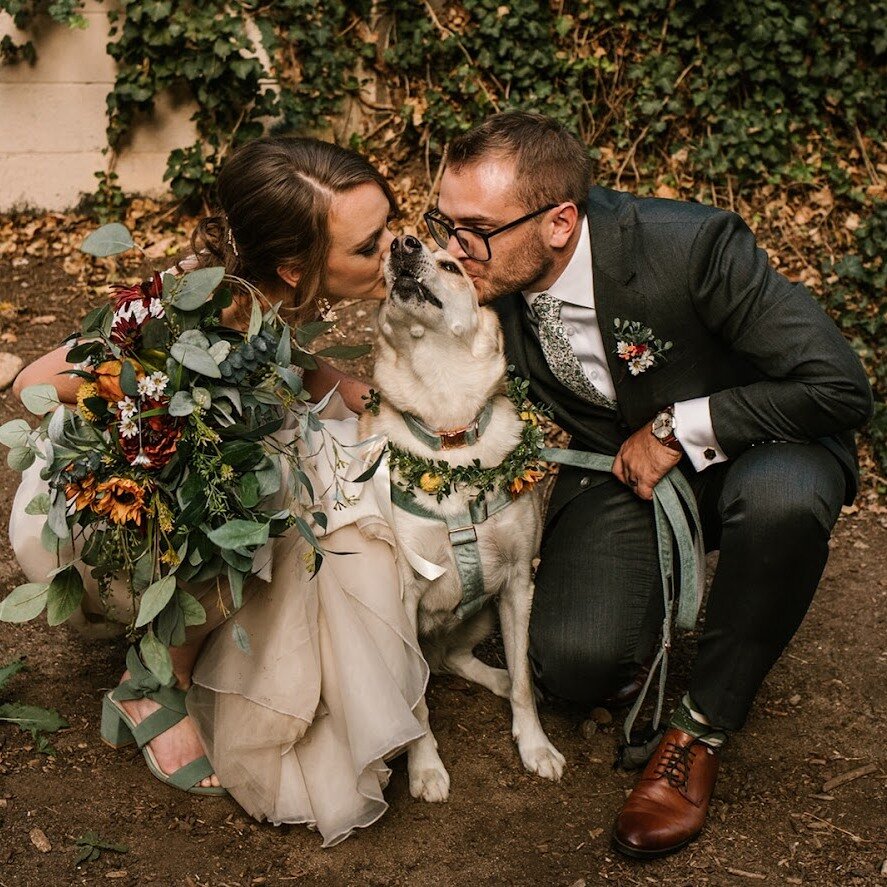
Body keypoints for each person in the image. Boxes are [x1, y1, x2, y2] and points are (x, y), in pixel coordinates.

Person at [419, 111, 873, 858]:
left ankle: (698, 727)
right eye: (444, 220)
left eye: (473, 228)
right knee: (570, 662)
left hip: (765, 438)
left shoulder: (690, 245)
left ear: (559, 221)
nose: (451, 248)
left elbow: (837, 384)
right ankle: (642, 633)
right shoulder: (492, 272)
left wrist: (675, 430)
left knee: (781, 503)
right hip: (619, 461)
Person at [10, 136, 428, 845]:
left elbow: (275, 343)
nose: (392, 250)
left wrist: (334, 381)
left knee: (339, 473)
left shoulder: (259, 296)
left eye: (387, 228)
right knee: (251, 501)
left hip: (241, 450)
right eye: (369, 246)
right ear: (294, 269)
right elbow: (33, 384)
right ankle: (151, 685)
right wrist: (145, 397)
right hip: (124, 508)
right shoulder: (184, 310)